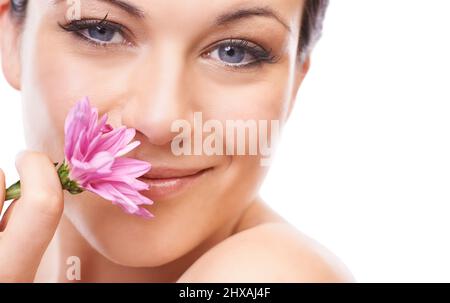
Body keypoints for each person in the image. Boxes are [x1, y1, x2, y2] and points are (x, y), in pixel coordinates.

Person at [0, 0, 353, 282]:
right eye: (101, 30)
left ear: (295, 85)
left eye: (235, 52)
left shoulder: (274, 275)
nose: (161, 120)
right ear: (12, 38)